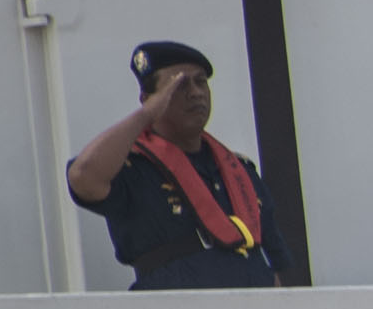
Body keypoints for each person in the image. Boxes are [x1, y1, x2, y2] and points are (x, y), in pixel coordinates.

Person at [67, 42, 284, 291]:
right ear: (149, 100)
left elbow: (274, 259)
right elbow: (83, 177)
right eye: (180, 86)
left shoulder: (239, 169)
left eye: (201, 82)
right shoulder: (133, 167)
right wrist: (146, 115)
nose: (196, 93)